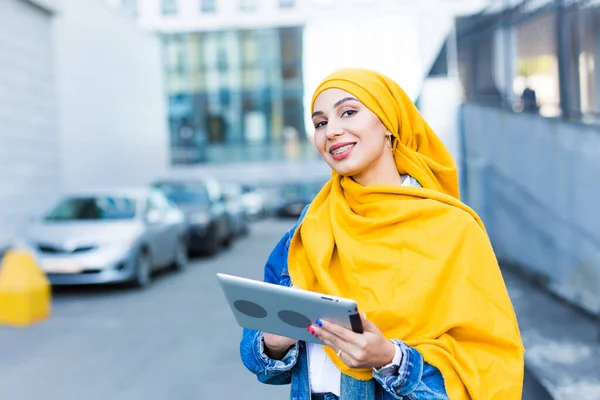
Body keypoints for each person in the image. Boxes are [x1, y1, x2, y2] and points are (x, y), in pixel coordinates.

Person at [240, 68, 525, 400]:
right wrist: (271, 344)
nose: (332, 131)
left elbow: (487, 364)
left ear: (389, 122)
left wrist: (391, 360)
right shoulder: (307, 229)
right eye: (320, 123)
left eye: (348, 112)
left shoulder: (452, 229)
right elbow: (258, 357)